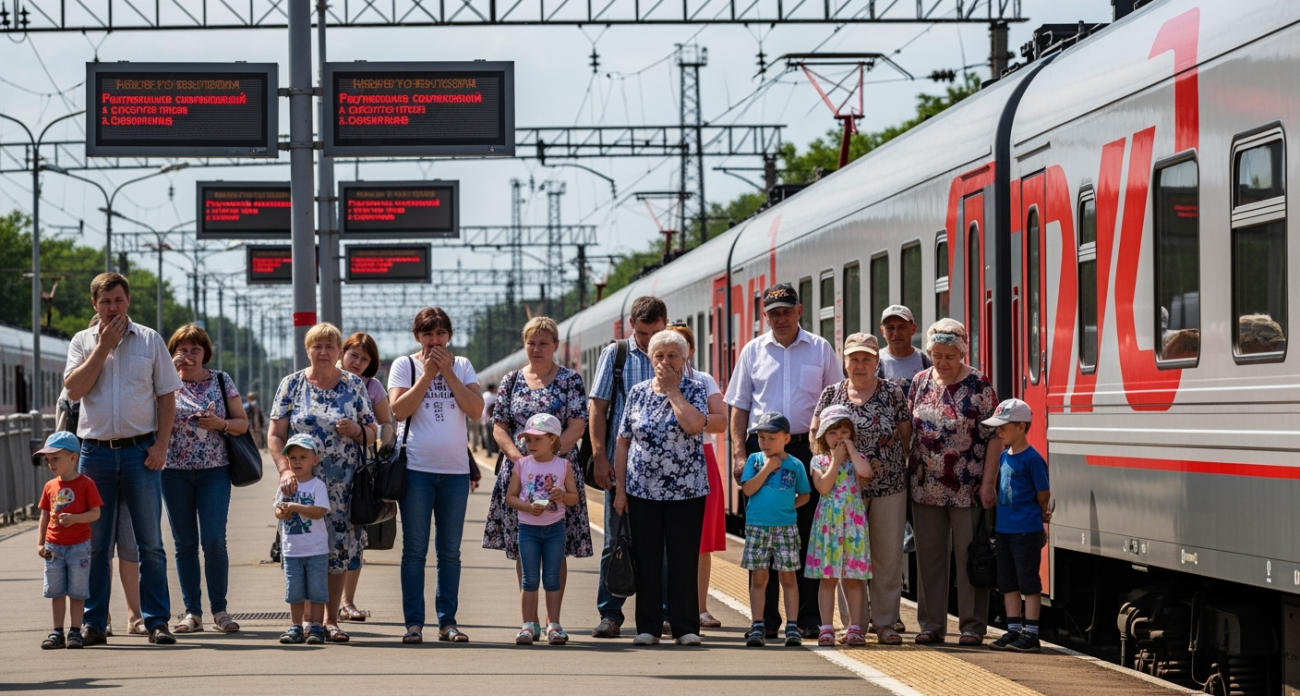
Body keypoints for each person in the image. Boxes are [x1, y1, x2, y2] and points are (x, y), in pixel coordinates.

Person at [64, 272, 182, 647]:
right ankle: (94, 623)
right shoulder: (82, 342)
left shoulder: (149, 340)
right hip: (95, 453)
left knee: (150, 543)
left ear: (127, 301)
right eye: (104, 302)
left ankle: (156, 621)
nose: (112, 308)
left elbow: (166, 396)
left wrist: (161, 445)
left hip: (139, 453)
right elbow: (74, 389)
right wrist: (103, 347)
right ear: (94, 305)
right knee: (96, 546)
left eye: (117, 300)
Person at [725, 282, 841, 638]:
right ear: (766, 316)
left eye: (786, 311)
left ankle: (804, 618)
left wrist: (830, 452)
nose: (781, 318)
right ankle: (764, 620)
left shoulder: (820, 349)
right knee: (762, 533)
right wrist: (739, 452)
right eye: (774, 313)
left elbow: (835, 402)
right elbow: (739, 406)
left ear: (799, 310)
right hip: (761, 451)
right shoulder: (753, 351)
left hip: (808, 450)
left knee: (806, 533)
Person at [269, 322, 378, 643]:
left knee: (337, 551)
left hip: (343, 488)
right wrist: (284, 470)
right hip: (300, 486)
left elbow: (374, 431)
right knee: (303, 549)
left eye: (330, 347)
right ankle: (303, 621)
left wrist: (358, 432)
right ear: (308, 350)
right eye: (317, 346)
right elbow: (275, 434)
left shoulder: (353, 385)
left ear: (338, 352)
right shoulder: (291, 385)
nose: (324, 352)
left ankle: (330, 620)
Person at [483, 317, 592, 622]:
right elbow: (499, 426)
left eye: (544, 343)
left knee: (557, 547)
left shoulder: (570, 380)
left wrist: (549, 457)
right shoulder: (511, 381)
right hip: (519, 471)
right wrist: (520, 460)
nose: (537, 348)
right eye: (531, 342)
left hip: (560, 472)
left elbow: (577, 425)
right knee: (524, 546)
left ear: (556, 345)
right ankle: (529, 618)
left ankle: (552, 619)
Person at [388, 307, 484, 645]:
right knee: (414, 550)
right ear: (417, 336)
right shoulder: (405, 366)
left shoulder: (462, 365)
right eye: (428, 334)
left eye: (441, 333)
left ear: (450, 336)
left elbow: (475, 410)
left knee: (450, 551)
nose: (435, 340)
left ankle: (448, 622)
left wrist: (449, 374)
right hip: (416, 470)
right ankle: (414, 623)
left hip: (455, 473)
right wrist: (428, 375)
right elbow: (398, 411)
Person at [810, 333, 912, 645]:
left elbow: (907, 436)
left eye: (867, 358)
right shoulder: (831, 394)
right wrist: (829, 466)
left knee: (886, 557)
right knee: (844, 559)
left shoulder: (893, 393)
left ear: (877, 362)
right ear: (845, 362)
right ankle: (853, 624)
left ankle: (885, 623)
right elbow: (816, 433)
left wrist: (889, 465)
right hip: (843, 492)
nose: (860, 365)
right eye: (854, 358)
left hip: (888, 486)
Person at [612, 328, 709, 647]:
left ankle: (685, 627)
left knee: (683, 558)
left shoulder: (695, 389)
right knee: (647, 558)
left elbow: (694, 425)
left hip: (687, 491)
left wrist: (673, 392)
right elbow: (623, 441)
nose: (665, 361)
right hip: (642, 491)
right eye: (659, 355)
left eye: (672, 355)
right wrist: (621, 491)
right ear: (650, 359)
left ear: (685, 358)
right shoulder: (637, 393)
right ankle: (648, 626)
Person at [909, 318, 1001, 646]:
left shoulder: (979, 383)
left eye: (950, 355)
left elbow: (994, 437)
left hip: (968, 486)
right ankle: (931, 624)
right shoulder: (920, 381)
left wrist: (988, 482)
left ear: (962, 352)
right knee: (930, 557)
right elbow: (910, 430)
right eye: (936, 355)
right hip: (924, 484)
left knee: (968, 555)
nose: (942, 362)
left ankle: (972, 627)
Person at [588, 296, 666, 638]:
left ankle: (659, 612)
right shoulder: (616, 354)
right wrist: (600, 457)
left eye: (655, 332)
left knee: (660, 543)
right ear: (631, 327)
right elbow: (598, 407)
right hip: (622, 463)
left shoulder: (673, 352)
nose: (649, 341)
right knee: (616, 539)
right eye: (643, 333)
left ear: (666, 324)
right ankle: (611, 614)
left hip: (665, 466)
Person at [163, 324, 248, 635]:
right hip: (173, 472)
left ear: (205, 352)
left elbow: (242, 423)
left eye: (195, 349)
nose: (189, 355)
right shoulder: (164, 384)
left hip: (215, 470)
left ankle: (220, 610)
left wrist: (220, 423)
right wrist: (165, 376)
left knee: (213, 539)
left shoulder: (221, 381)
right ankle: (192, 612)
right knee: (184, 544)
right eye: (182, 350)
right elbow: (145, 416)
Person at [664, 323, 728, 629]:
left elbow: (721, 422)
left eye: (681, 347)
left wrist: (692, 419)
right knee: (666, 540)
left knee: (701, 542)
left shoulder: (703, 380)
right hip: (662, 463)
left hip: (701, 457)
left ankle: (700, 608)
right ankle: (668, 607)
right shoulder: (651, 383)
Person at [983, 399, 1051, 653]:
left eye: (1002, 428)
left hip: (1026, 530)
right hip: (1004, 530)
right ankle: (1013, 630)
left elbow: (1043, 492)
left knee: (1028, 582)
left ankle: (1031, 633)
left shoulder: (1033, 460)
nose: (998, 432)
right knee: (1007, 582)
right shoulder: (1003, 456)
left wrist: (1041, 512)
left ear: (1021, 427)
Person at [738, 412, 812, 648]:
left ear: (786, 439)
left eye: (772, 438)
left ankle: (792, 625)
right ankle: (758, 623)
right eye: (761, 438)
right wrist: (768, 468)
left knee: (788, 577)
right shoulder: (755, 461)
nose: (765, 443)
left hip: (786, 528)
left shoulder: (796, 464)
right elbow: (748, 489)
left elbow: (805, 495)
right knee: (759, 577)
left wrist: (788, 509)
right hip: (758, 527)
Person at [506, 413, 580, 645]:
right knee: (529, 579)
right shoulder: (522, 464)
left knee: (551, 578)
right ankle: (528, 625)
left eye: (537, 439)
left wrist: (562, 495)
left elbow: (574, 498)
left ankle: (554, 625)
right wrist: (527, 507)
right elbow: (510, 497)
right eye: (528, 440)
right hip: (528, 529)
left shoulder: (563, 465)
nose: (531, 444)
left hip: (555, 529)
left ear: (553, 440)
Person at [805, 405, 874, 647]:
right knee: (828, 576)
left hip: (852, 523)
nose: (839, 437)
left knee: (854, 577)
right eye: (833, 432)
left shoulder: (858, 459)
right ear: (823, 435)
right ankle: (826, 627)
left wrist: (852, 452)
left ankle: (855, 626)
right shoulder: (819, 460)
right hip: (828, 524)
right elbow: (823, 487)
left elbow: (866, 472)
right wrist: (835, 462)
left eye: (844, 431)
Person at [338, 332, 394, 623]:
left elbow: (386, 422)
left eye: (365, 358)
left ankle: (347, 602)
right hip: (320, 472)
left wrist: (381, 446)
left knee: (355, 536)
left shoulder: (372, 387)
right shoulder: (323, 380)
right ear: (342, 353)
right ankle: (323, 602)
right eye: (354, 355)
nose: (358, 362)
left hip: (359, 472)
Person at [34, 431, 103, 650]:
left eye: (56, 458)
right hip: (54, 547)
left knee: (77, 591)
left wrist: (75, 519)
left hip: (79, 546)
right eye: (48, 460)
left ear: (73, 458)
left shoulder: (86, 484)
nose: (51, 464)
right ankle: (57, 632)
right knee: (56, 591)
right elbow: (45, 515)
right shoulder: (50, 486)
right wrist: (40, 543)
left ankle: (75, 631)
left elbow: (95, 513)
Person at [274, 434, 331, 645]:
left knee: (317, 591)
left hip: (316, 549)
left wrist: (295, 507)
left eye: (303, 457)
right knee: (295, 591)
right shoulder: (285, 486)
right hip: (292, 550)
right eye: (293, 458)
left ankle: (316, 626)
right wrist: (283, 512)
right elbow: (277, 510)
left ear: (314, 460)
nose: (297, 462)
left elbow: (319, 512)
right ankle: (296, 626)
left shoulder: (317, 486)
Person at [877, 305, 932, 389]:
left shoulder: (924, 361)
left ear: (913, 329)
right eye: (890, 328)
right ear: (883, 331)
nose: (896, 333)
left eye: (901, 327)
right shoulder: (876, 362)